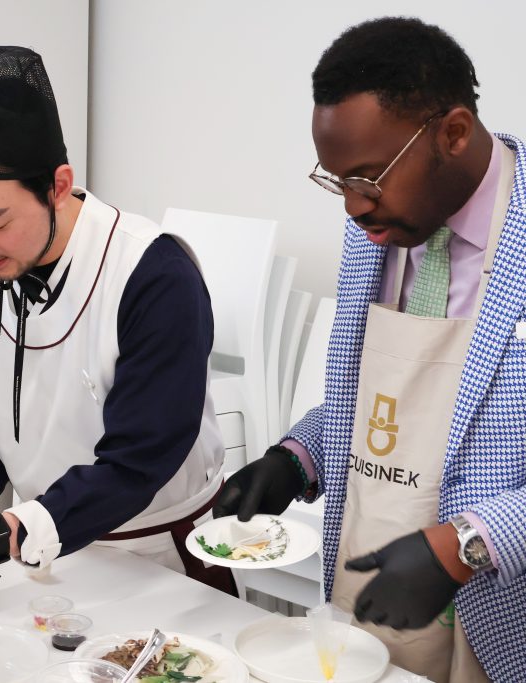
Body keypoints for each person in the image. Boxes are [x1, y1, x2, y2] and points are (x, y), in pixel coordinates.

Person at [214, 17, 526, 682]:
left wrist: (468, 545)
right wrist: (296, 457)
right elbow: (390, 406)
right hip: (366, 607)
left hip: (503, 633)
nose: (354, 208)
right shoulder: (381, 229)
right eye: (338, 183)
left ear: (453, 133)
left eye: (367, 177)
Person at [0, 45, 231, 611]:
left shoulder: (152, 275)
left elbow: (136, 464)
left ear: (58, 186)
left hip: (161, 566)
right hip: (36, 563)